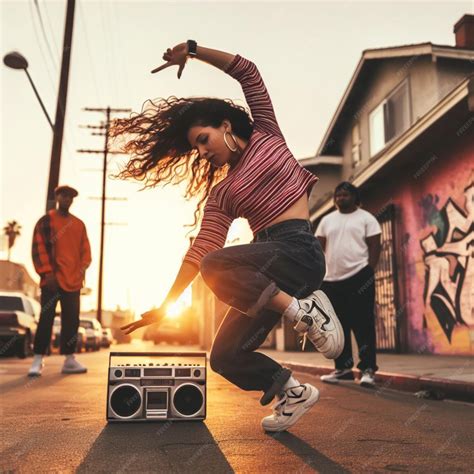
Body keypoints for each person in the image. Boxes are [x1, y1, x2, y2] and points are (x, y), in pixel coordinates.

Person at [116, 41, 344, 432]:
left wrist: (193, 50)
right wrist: (166, 304)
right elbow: (200, 250)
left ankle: (306, 313)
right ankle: (291, 391)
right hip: (268, 273)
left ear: (225, 126)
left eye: (203, 139)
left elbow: (248, 71)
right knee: (223, 354)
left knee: (215, 265)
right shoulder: (222, 194)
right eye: (194, 149)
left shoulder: (266, 134)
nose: (202, 152)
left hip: (298, 252)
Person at [316, 182, 381, 387]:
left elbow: (375, 246)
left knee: (363, 325)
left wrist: (369, 270)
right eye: (338, 195)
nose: (340, 198)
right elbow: (318, 248)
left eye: (345, 194)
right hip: (331, 281)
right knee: (337, 328)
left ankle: (367, 370)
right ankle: (343, 369)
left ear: (355, 197)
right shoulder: (327, 220)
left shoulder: (366, 218)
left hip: (359, 276)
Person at [28, 185, 92, 376]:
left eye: (70, 197)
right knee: (46, 319)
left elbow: (86, 252)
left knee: (71, 321)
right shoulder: (46, 221)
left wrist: (80, 271)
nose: (67, 199)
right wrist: (47, 274)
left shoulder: (79, 224)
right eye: (64, 195)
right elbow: (38, 249)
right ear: (57, 197)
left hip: (73, 282)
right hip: (52, 281)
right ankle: (38, 360)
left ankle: (69, 360)